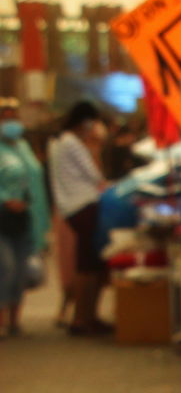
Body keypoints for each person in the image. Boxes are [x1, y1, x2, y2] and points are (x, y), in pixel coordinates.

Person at [50, 101, 109, 335]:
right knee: (88, 265)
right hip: (83, 205)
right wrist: (95, 145)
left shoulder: (58, 142)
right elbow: (95, 175)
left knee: (88, 263)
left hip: (70, 207)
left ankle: (86, 317)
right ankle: (83, 318)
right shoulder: (72, 144)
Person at [0, 100, 50, 336]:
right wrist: (5, 199)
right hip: (2, 218)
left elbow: (35, 184)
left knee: (21, 271)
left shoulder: (23, 147)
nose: (9, 123)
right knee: (5, 267)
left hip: (25, 219)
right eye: (4, 118)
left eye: (13, 117)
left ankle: (14, 321)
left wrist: (42, 222)